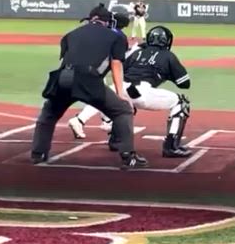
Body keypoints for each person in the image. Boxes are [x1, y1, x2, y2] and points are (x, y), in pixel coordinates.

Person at [29, 4, 147, 169]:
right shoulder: (116, 37)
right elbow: (116, 64)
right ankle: (128, 156)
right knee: (123, 110)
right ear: (107, 22)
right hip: (87, 79)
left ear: (91, 19)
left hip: (62, 76)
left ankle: (38, 153)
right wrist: (121, 93)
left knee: (49, 113)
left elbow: (67, 59)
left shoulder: (71, 34)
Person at [72, 25, 194, 158]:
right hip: (141, 91)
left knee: (122, 104)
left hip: (121, 87)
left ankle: (115, 139)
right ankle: (171, 146)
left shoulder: (137, 53)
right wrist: (166, 75)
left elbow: (121, 70)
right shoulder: (168, 56)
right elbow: (184, 84)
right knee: (181, 103)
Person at [68, 10, 137, 137]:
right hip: (96, 71)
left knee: (101, 97)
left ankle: (107, 120)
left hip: (80, 66)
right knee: (99, 97)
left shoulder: (102, 30)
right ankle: (79, 120)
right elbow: (117, 61)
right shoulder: (120, 36)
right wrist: (133, 51)